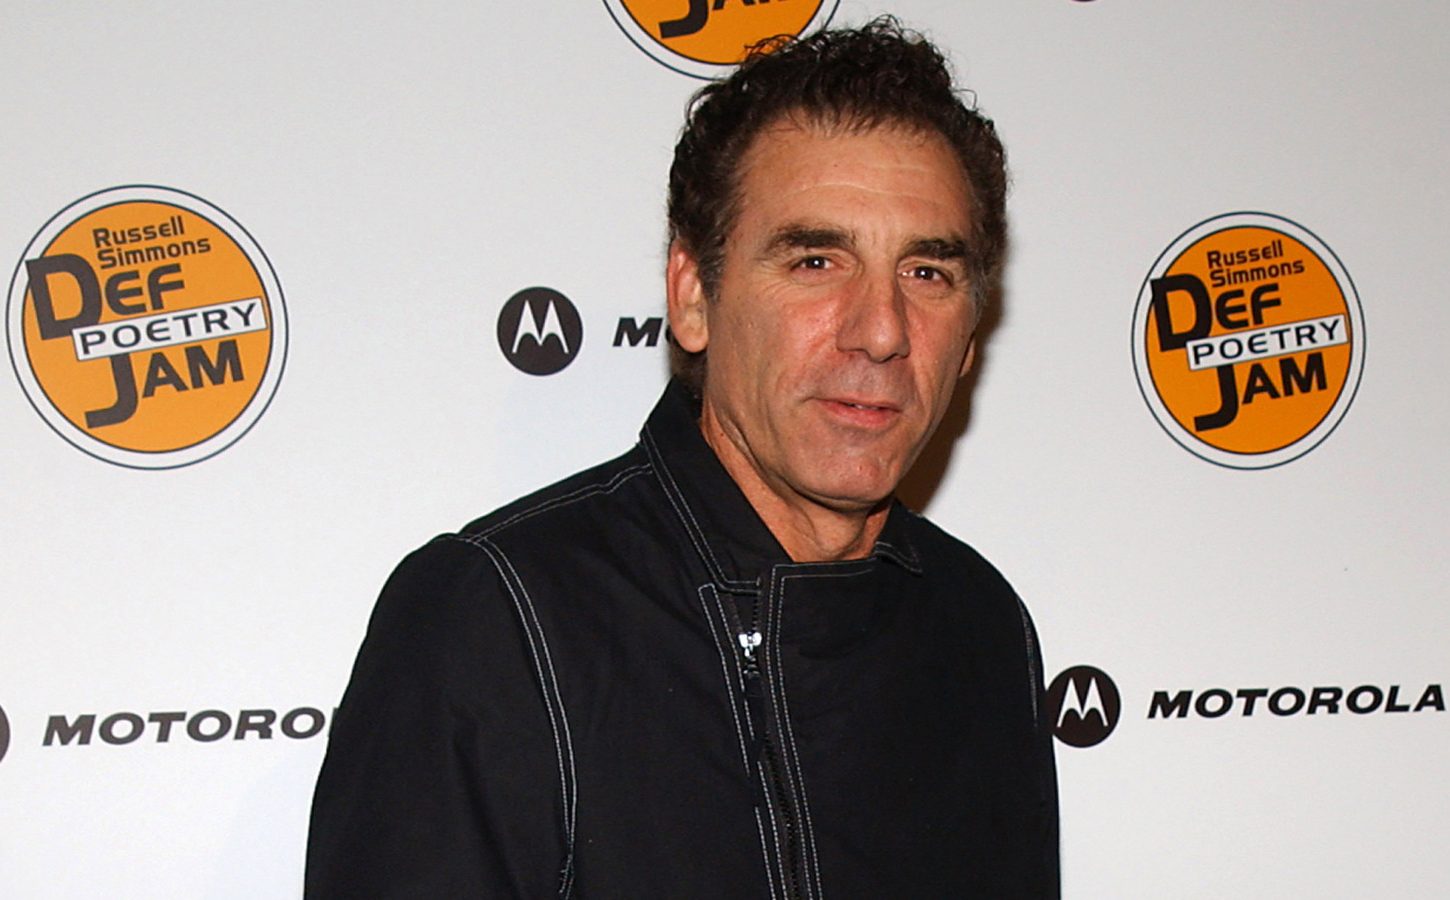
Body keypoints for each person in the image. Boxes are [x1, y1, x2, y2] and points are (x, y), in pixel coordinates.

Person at [306, 17, 1058, 898]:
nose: (882, 330)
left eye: (927, 273)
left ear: (971, 334)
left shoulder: (979, 626)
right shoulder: (497, 620)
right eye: (816, 261)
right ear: (694, 296)